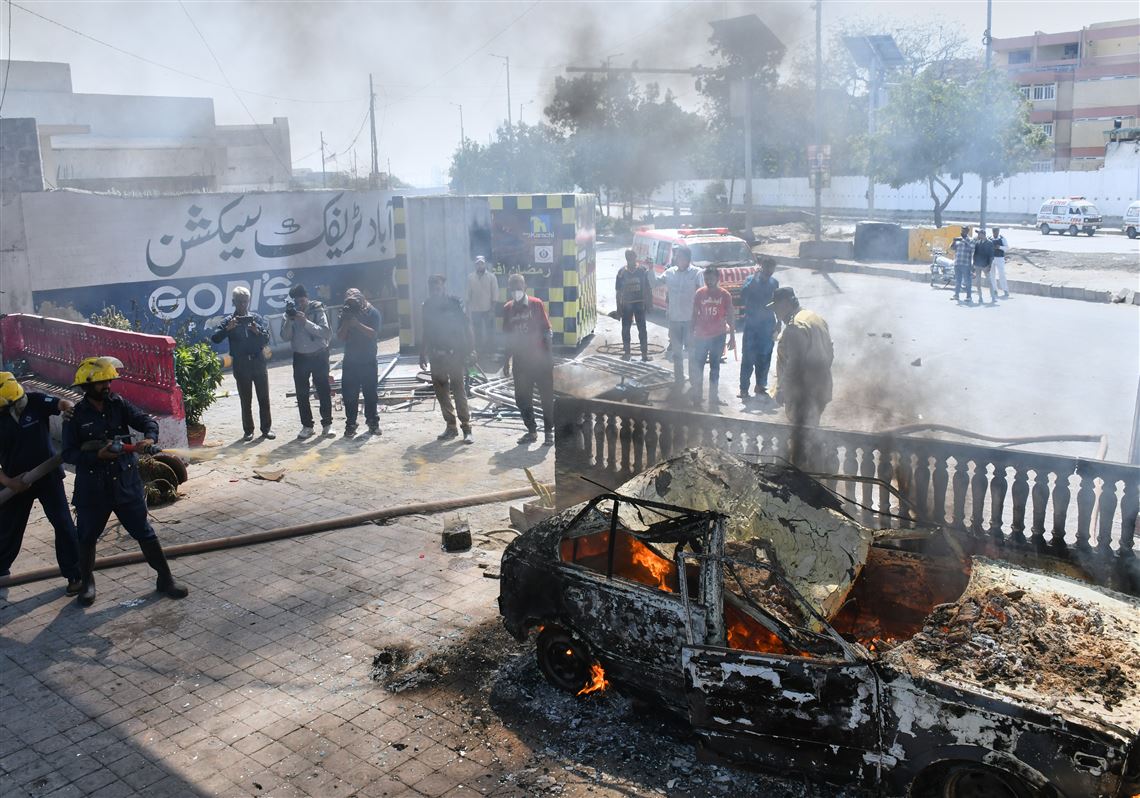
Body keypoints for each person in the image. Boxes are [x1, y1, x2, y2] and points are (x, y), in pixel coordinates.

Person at [62, 357, 188, 606]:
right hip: (93, 487)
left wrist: (150, 438)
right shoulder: (75, 416)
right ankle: (87, 584)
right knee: (86, 536)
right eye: (100, 382)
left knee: (144, 532)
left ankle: (165, 579)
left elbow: (146, 420)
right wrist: (95, 455)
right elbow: (68, 454)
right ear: (86, 387)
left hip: (125, 483)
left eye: (108, 380)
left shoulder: (118, 404)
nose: (107, 385)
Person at [0, 373, 81, 595]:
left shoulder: (35, 401)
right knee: (8, 530)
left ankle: (75, 574)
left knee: (64, 525)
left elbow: (61, 403)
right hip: (15, 482)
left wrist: (68, 408)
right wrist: (9, 483)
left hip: (47, 476)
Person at [211, 286, 273, 441]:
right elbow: (215, 338)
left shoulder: (256, 318)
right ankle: (248, 430)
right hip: (241, 364)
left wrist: (256, 331)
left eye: (245, 302)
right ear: (233, 302)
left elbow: (267, 338)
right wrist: (227, 329)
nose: (243, 305)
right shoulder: (228, 321)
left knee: (264, 398)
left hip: (258, 361)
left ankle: (266, 429)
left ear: (249, 302)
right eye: (239, 302)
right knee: (246, 400)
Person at [420, 275, 475, 444]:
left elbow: (467, 326)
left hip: (455, 354)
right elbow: (426, 331)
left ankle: (466, 428)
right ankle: (451, 427)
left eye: (438, 286)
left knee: (459, 390)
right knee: (442, 393)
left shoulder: (455, 303)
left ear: (444, 287)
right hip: (436, 356)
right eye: (432, 287)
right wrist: (423, 352)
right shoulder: (427, 306)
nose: (435, 289)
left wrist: (472, 350)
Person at [502, 273, 555, 446]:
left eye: (519, 286)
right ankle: (532, 431)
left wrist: (548, 356)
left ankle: (548, 433)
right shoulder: (508, 308)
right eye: (513, 287)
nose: (516, 290)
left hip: (540, 360)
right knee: (521, 398)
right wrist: (505, 361)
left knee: (546, 397)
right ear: (509, 289)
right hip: (520, 362)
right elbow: (507, 337)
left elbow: (547, 331)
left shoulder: (536, 304)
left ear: (525, 287)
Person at [770, 287, 833, 430]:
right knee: (811, 430)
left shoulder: (795, 327)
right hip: (821, 386)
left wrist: (783, 390)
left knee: (802, 435)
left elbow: (795, 363)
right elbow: (830, 351)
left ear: (785, 304)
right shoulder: (814, 317)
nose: (775, 311)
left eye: (776, 306)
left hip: (803, 393)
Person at [280, 284, 333, 438]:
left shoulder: (317, 309)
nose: (300, 305)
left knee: (323, 390)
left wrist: (305, 322)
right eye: (297, 302)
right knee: (302, 393)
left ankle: (327, 425)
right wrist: (290, 320)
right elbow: (285, 337)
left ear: (307, 298)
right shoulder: (289, 313)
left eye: (302, 301)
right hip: (300, 357)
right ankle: (307, 426)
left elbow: (326, 333)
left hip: (319, 354)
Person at [654, 245, 704, 391]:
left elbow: (702, 295)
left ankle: (695, 382)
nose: (676, 259)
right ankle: (679, 380)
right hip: (674, 320)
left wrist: (700, 318)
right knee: (677, 354)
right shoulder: (669, 272)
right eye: (676, 256)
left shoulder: (697, 273)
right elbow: (655, 283)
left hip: (690, 320)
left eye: (680, 256)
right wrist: (650, 269)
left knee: (692, 354)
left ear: (687, 259)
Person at [336, 288, 382, 437]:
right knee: (349, 395)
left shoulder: (372, 312)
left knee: (370, 394)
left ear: (362, 298)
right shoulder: (345, 313)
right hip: (350, 361)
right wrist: (347, 323)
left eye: (354, 299)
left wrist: (357, 324)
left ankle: (373, 422)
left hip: (368, 360)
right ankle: (351, 423)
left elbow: (373, 334)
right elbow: (341, 337)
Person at [689, 268, 736, 410]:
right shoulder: (699, 293)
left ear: (717, 278)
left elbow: (731, 316)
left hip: (718, 336)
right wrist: (691, 334)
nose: (709, 281)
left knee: (715, 367)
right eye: (706, 278)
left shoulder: (725, 295)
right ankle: (697, 397)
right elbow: (694, 314)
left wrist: (732, 337)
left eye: (711, 278)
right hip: (701, 336)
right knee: (698, 367)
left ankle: (713, 397)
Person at [738, 255, 781, 401]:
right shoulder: (750, 280)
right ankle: (744, 389)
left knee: (765, 357)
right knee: (748, 357)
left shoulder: (774, 283)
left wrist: (779, 322)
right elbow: (743, 296)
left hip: (768, 325)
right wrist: (755, 279)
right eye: (767, 268)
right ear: (761, 267)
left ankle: (761, 386)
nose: (769, 271)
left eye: (772, 269)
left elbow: (778, 303)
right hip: (752, 326)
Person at [615, 248, 652, 362]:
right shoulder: (621, 272)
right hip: (627, 305)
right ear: (626, 258)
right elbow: (618, 292)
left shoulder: (642, 271)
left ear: (635, 257)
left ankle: (644, 354)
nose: (630, 259)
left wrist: (649, 303)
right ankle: (627, 353)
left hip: (639, 304)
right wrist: (618, 308)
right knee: (625, 329)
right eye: (628, 257)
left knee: (642, 329)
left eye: (632, 256)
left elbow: (647, 288)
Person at [466, 256, 499, 357]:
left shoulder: (491, 277)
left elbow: (495, 294)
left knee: (490, 331)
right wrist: (467, 310)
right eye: (478, 264)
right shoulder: (470, 277)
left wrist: (492, 310)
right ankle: (479, 351)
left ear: (485, 264)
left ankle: (491, 350)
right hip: (475, 309)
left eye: (481, 263)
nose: (480, 265)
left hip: (488, 309)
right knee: (477, 331)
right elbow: (468, 294)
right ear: (475, 265)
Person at [950, 226, 975, 304]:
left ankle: (969, 297)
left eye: (964, 231)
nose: (962, 232)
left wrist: (964, 240)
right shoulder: (958, 239)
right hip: (957, 263)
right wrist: (954, 241)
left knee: (967, 281)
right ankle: (956, 295)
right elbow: (951, 248)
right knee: (958, 280)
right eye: (962, 230)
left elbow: (972, 248)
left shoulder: (971, 240)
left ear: (967, 231)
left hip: (966, 264)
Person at [973, 227, 997, 304]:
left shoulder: (989, 243)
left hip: (985, 265)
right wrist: (974, 265)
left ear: (983, 234)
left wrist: (989, 266)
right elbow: (975, 254)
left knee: (989, 282)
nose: (978, 235)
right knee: (978, 282)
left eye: (979, 233)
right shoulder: (977, 243)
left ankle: (993, 297)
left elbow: (991, 255)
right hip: (977, 265)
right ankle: (980, 297)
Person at [990, 227, 1010, 298]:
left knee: (1001, 274)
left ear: (998, 231)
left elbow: (1007, 248)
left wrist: (1000, 247)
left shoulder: (1002, 239)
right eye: (994, 231)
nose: (995, 232)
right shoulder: (990, 238)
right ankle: (995, 290)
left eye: (996, 231)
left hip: (1000, 258)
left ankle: (1005, 290)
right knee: (992, 275)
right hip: (992, 258)